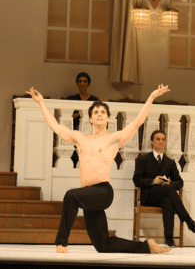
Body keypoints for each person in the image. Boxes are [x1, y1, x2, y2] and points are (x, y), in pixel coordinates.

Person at [27, 85, 171, 254]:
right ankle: (147, 246)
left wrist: (152, 97)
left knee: (70, 196)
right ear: (91, 119)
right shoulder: (81, 139)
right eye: (96, 112)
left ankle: (61, 243)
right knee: (103, 245)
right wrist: (41, 102)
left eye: (103, 112)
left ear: (108, 118)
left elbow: (137, 122)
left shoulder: (113, 140)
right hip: (88, 195)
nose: (99, 114)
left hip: (103, 192)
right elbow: (55, 127)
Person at [133, 130, 195, 247]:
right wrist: (152, 181)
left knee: (168, 199)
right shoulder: (143, 159)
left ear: (165, 142)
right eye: (157, 139)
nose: (160, 142)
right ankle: (188, 221)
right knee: (168, 190)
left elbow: (180, 183)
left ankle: (169, 239)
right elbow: (136, 180)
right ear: (152, 142)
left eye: (163, 140)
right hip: (148, 196)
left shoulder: (170, 162)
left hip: (164, 195)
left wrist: (170, 182)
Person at [67, 72, 99, 167]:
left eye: (85, 81)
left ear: (88, 84)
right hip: (75, 128)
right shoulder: (71, 98)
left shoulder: (94, 99)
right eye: (80, 81)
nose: (82, 83)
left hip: (90, 128)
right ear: (77, 84)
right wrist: (80, 113)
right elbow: (68, 116)